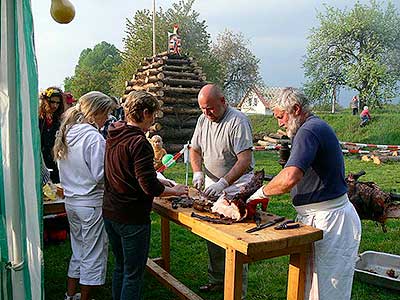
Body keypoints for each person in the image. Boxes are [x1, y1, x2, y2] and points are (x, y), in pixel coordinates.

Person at [248, 87, 361, 300]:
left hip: (330, 220)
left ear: (296, 109)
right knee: (309, 288)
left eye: (281, 116)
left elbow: (290, 176)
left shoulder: (309, 130)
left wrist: (259, 194)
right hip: (319, 217)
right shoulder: (310, 128)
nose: (279, 123)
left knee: (326, 291)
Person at [102, 90, 188, 300]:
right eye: (153, 116)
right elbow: (149, 187)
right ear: (146, 112)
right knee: (133, 274)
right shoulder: (139, 143)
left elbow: (128, 172)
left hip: (111, 211)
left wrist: (157, 178)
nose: (153, 122)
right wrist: (174, 190)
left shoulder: (114, 134)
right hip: (131, 216)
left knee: (121, 267)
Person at [190, 84, 254, 298]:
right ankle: (217, 280)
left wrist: (224, 183)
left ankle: (238, 291)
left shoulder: (237, 121)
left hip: (236, 185)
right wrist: (198, 172)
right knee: (213, 233)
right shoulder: (202, 120)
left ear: (223, 101)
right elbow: (195, 150)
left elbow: (244, 160)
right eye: (202, 109)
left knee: (235, 238)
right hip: (212, 182)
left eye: (210, 108)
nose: (206, 113)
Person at [53, 91, 117, 300]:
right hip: (90, 202)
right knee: (93, 254)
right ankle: (85, 297)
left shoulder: (68, 132)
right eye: (106, 113)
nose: (107, 118)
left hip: (71, 201)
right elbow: (101, 175)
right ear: (95, 112)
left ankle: (70, 295)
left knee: (79, 250)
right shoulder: (93, 137)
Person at [39, 86, 64, 183]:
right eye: (52, 102)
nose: (55, 106)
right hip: (41, 158)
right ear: (46, 101)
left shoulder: (59, 119)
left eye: (58, 103)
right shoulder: (38, 117)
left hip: (55, 159)